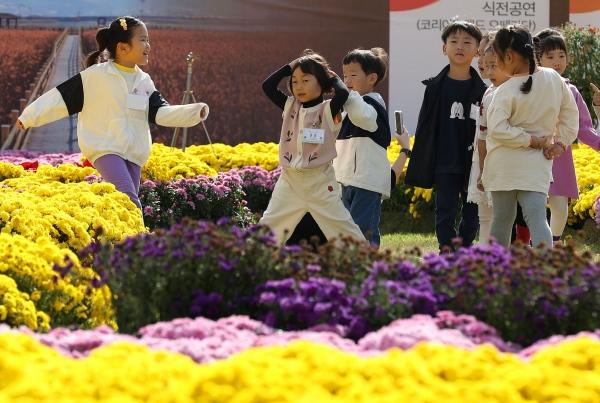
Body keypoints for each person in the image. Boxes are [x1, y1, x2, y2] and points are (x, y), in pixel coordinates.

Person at [17, 16, 209, 209]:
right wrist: (28, 117)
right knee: (130, 202)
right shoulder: (95, 76)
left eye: (148, 39)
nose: (148, 45)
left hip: (134, 152)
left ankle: (117, 238)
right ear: (123, 47)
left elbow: (161, 113)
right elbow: (59, 99)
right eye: (143, 39)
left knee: (124, 204)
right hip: (105, 146)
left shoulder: (144, 81)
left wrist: (194, 112)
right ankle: (141, 239)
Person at [482, 25, 579, 248]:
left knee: (502, 220)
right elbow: (570, 115)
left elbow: (497, 129)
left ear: (508, 56)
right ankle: (544, 272)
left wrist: (530, 141)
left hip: (503, 166)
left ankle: (496, 270)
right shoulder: (554, 79)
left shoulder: (505, 90)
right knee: (537, 218)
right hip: (536, 165)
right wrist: (560, 143)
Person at [260, 49, 365, 244]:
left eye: (306, 80)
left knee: (343, 228)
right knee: (269, 226)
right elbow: (267, 86)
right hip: (290, 182)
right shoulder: (290, 106)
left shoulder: (328, 109)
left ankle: (367, 266)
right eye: (294, 81)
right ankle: (247, 266)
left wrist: (331, 77)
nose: (298, 86)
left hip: (321, 183)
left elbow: (342, 93)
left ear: (321, 82)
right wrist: (290, 66)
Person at [405, 21, 487, 251]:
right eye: (453, 41)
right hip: (444, 160)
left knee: (472, 213)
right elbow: (425, 127)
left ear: (477, 50)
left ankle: (465, 248)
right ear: (444, 49)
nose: (460, 46)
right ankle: (447, 250)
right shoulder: (434, 88)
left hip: (473, 162)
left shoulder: (485, 91)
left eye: (467, 42)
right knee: (445, 211)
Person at [534, 29, 600, 244]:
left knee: (560, 205)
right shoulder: (527, 86)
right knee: (530, 205)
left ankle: (551, 245)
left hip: (559, 156)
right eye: (550, 56)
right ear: (538, 58)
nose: (557, 61)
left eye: (561, 56)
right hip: (530, 153)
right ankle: (534, 244)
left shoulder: (571, 91)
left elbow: (582, 127)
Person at [334, 47, 404, 247]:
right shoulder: (351, 104)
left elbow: (364, 117)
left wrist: (344, 95)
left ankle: (368, 272)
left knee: (363, 232)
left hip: (366, 182)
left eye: (353, 75)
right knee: (347, 232)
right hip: (346, 180)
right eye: (344, 75)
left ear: (372, 78)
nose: (346, 80)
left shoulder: (372, 104)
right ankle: (352, 270)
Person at [468, 41, 511, 244]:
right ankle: (486, 258)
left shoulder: (513, 92)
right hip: (484, 159)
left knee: (501, 216)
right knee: (484, 215)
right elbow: (482, 134)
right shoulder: (488, 93)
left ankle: (498, 258)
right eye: (486, 65)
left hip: (502, 161)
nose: (489, 70)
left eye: (494, 65)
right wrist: (482, 167)